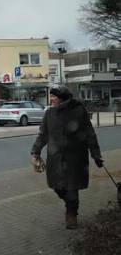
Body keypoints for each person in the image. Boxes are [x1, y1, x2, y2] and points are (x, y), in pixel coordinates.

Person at [30, 86, 103, 229]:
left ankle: (71, 214)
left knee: (72, 187)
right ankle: (70, 204)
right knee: (57, 186)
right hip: (55, 157)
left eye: (54, 97)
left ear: (62, 99)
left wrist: (96, 155)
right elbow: (43, 135)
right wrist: (35, 153)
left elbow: (89, 134)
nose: (51, 99)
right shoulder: (50, 113)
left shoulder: (78, 111)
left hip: (75, 158)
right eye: (51, 96)